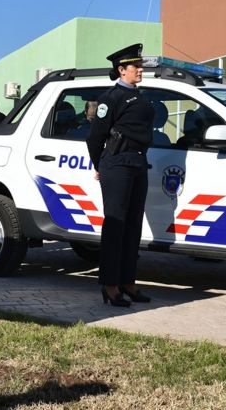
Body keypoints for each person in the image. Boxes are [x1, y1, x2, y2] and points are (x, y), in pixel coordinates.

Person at [86, 43, 154, 308]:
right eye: (135, 66)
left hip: (137, 163)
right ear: (121, 70)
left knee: (133, 225)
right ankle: (110, 285)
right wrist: (100, 165)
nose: (140, 69)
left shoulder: (140, 97)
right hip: (117, 164)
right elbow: (95, 137)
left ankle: (129, 282)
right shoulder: (110, 99)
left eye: (140, 65)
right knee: (115, 226)